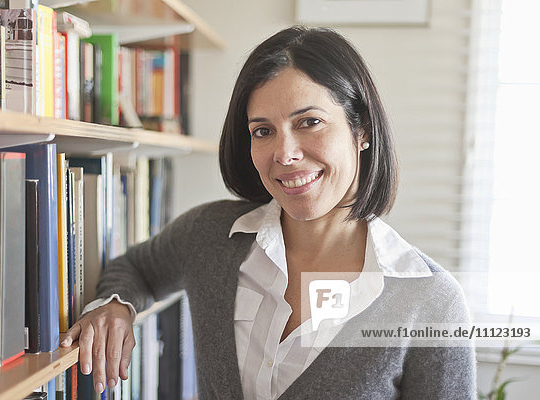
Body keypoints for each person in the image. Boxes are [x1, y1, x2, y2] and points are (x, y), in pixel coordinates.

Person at [61, 26, 476, 399]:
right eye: (263, 131)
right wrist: (114, 306)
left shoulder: (430, 301)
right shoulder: (209, 235)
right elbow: (136, 268)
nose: (285, 153)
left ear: (361, 130)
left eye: (309, 122)